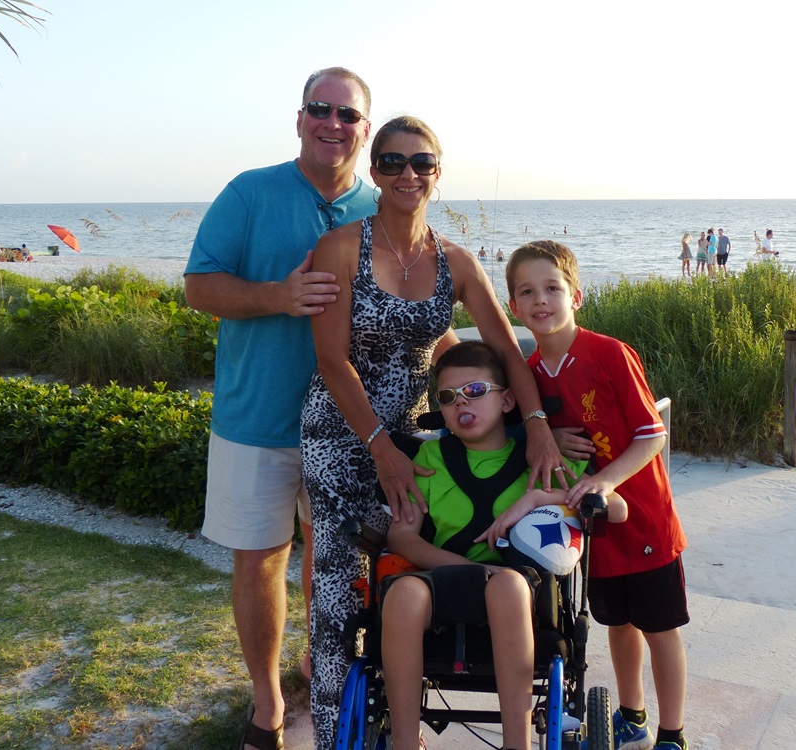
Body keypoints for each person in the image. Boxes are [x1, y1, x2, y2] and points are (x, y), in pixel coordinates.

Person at [300, 115, 571, 750]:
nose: (406, 174)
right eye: (391, 162)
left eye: (420, 162)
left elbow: (508, 352)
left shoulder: (456, 262)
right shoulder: (343, 247)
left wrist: (537, 426)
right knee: (339, 589)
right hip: (343, 434)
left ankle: (407, 717)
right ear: (374, 172)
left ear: (437, 174)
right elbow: (330, 361)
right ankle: (345, 733)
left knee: (400, 567)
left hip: (420, 433)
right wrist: (379, 446)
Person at [183, 66, 375, 750]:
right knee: (261, 559)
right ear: (299, 120)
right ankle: (267, 704)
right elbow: (199, 287)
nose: (333, 123)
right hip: (256, 418)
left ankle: (316, 665)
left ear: (364, 128)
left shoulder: (382, 208)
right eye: (319, 110)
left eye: (347, 114)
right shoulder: (250, 192)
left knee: (333, 559)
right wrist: (278, 296)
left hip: (348, 424)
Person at [383, 341, 628, 750]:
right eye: (448, 397)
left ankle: (518, 744)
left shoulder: (541, 457)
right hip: (443, 576)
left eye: (476, 391)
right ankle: (405, 742)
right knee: (403, 594)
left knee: (508, 587)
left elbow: (615, 509)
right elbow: (402, 537)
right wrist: (463, 568)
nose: (462, 402)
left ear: (508, 399)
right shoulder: (430, 457)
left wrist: (538, 497)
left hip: (519, 588)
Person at [506, 240, 690, 750]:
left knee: (660, 627)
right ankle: (632, 715)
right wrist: (541, 435)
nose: (541, 300)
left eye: (552, 288)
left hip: (644, 519)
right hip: (587, 524)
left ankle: (672, 732)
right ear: (514, 307)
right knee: (617, 622)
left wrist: (607, 479)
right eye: (527, 292)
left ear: (576, 296)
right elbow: (525, 433)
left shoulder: (608, 352)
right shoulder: (529, 376)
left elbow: (653, 433)